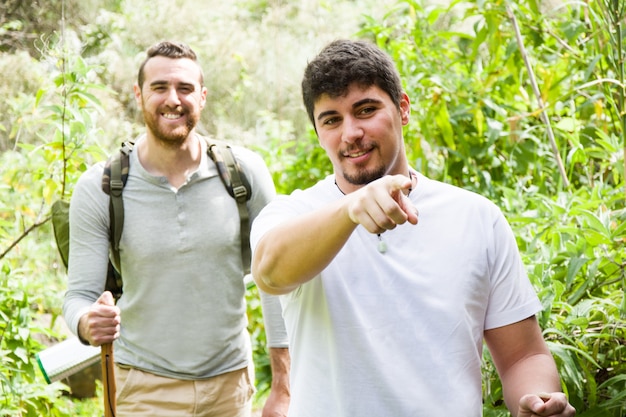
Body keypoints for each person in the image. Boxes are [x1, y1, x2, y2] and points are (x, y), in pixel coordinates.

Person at [250, 39, 576, 417]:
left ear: (402, 109)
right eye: (332, 120)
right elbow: (270, 272)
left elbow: (523, 355)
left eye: (366, 110)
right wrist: (349, 210)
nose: (350, 132)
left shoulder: (477, 218)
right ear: (318, 131)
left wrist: (537, 399)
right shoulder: (293, 213)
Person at [63, 41, 290, 417]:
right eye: (159, 87)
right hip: (143, 389)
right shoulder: (100, 187)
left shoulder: (244, 174)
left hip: (230, 389)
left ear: (202, 97)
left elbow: (277, 282)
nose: (173, 99)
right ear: (139, 95)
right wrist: (88, 322)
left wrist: (283, 387)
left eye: (185, 88)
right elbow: (79, 296)